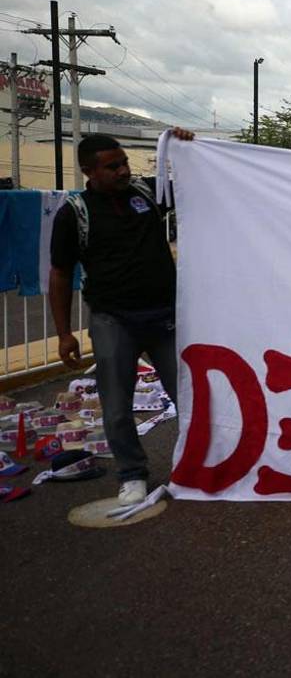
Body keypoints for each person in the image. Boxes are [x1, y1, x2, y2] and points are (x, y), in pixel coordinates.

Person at [49, 129, 194, 506]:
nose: (123, 170)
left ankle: (196, 464)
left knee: (190, 395)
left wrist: (186, 146)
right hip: (115, 320)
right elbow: (60, 275)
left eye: (125, 162)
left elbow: (197, 179)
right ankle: (132, 474)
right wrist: (64, 334)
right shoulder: (74, 214)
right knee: (116, 407)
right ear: (88, 171)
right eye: (112, 166)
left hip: (164, 318)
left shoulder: (145, 194)